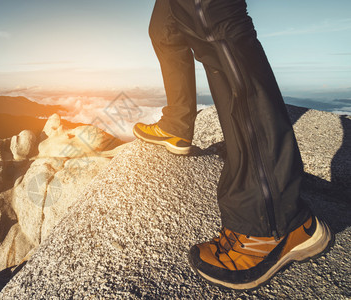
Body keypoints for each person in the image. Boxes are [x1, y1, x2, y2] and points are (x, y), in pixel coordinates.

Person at [133, 0, 333, 290]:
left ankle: (275, 221)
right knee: (167, 26)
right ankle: (177, 123)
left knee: (210, 17)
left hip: (275, 218)